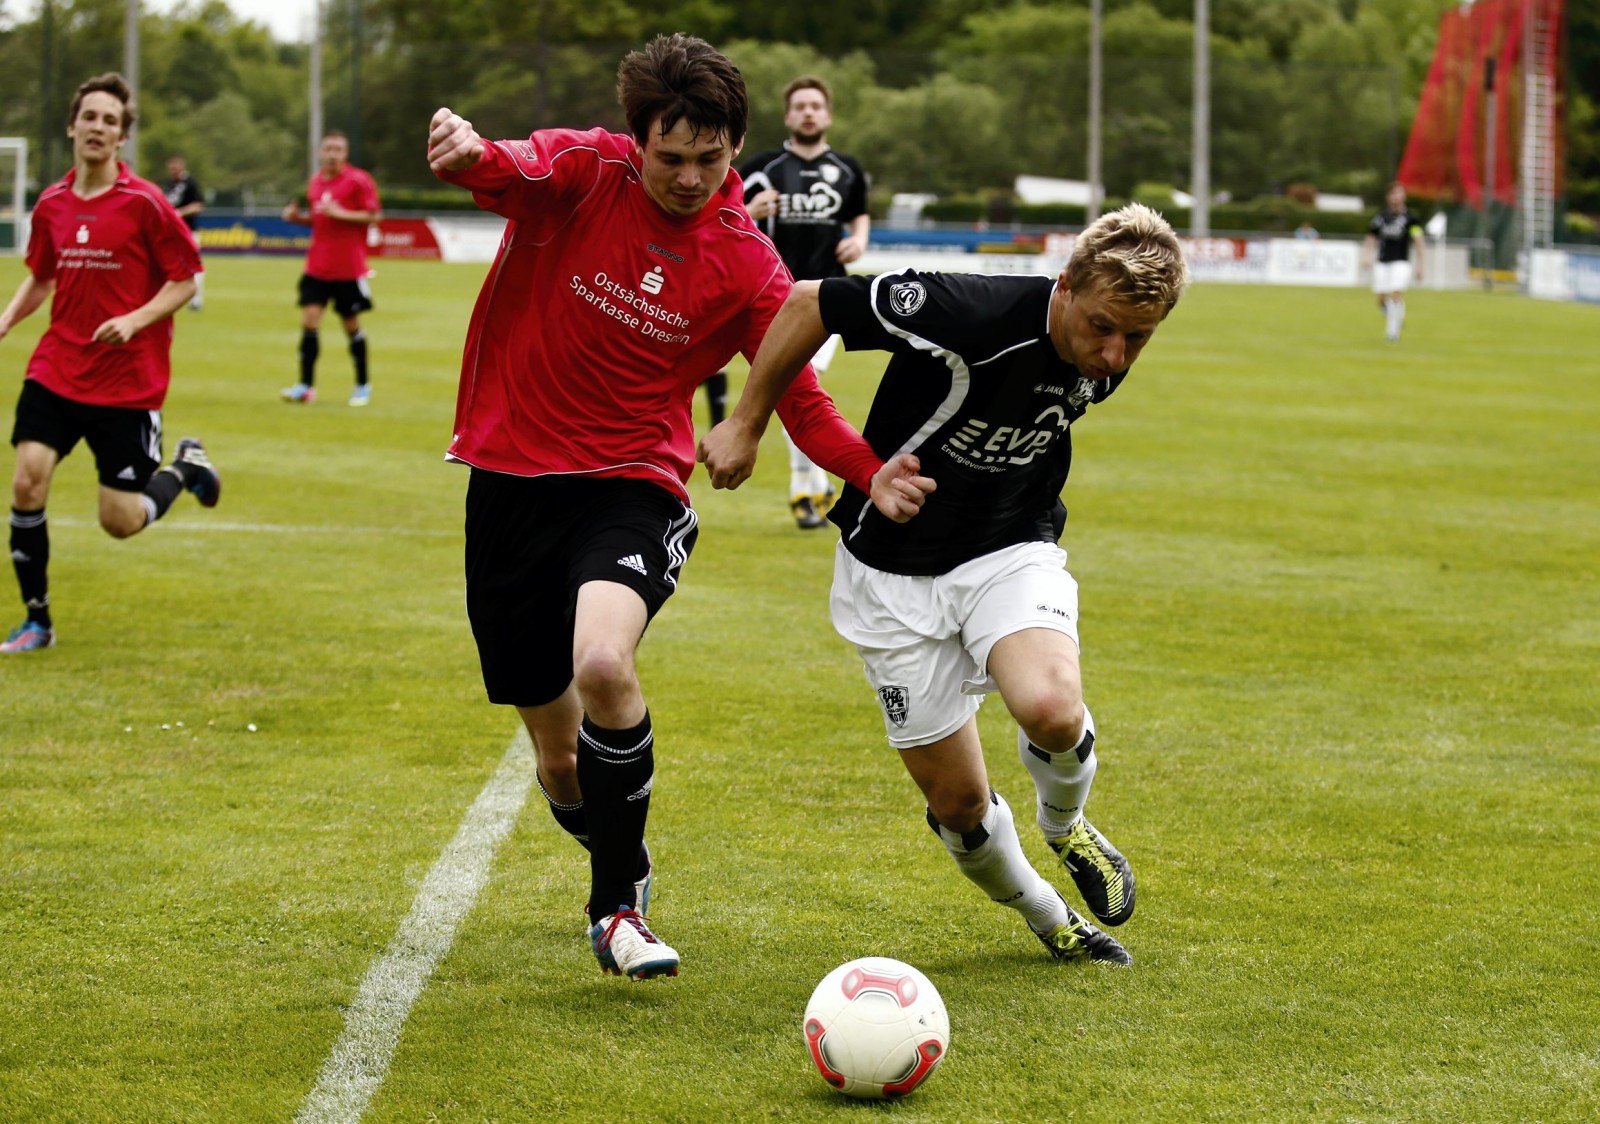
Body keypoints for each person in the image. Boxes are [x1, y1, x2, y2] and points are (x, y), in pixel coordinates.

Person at [425, 33, 928, 982]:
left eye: (713, 158)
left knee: (605, 664)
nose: (692, 177)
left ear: (737, 146)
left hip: (634, 481)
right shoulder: (584, 169)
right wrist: (466, 149)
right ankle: (623, 851)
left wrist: (870, 474)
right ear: (636, 140)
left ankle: (615, 909)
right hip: (509, 479)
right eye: (672, 157)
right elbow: (505, 171)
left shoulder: (745, 261)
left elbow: (797, 394)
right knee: (559, 760)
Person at [699, 204, 1190, 966]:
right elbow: (806, 303)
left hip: (1007, 546)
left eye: (1139, 339)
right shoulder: (972, 310)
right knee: (959, 805)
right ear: (1062, 288)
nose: (1116, 354)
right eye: (1101, 327)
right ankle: (1049, 915)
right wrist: (748, 422)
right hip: (890, 572)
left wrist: (1108, 342)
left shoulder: (1108, 346)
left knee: (1054, 711)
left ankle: (1066, 828)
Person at [1, 73, 220, 655]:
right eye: (89, 117)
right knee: (27, 480)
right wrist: (4, 320)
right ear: (73, 127)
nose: (98, 127)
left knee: (120, 521)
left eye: (110, 121)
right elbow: (42, 278)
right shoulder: (50, 204)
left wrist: (135, 319)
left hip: (126, 382)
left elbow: (184, 280)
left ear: (121, 138)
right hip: (56, 366)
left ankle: (186, 469)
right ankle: (36, 621)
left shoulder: (146, 203)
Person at [706, 76, 871, 529]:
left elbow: (858, 214)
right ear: (787, 116)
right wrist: (749, 213)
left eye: (816, 105)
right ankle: (806, 491)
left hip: (830, 296)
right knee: (794, 382)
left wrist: (858, 240)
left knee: (793, 386)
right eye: (800, 106)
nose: (808, 113)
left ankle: (812, 487)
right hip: (776, 297)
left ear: (828, 114)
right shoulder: (763, 168)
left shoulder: (848, 169)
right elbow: (721, 215)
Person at [280, 131, 381, 405]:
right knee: (309, 321)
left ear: (345, 154)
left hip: (348, 268)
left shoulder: (358, 181)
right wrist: (296, 218)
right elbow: (319, 220)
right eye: (328, 149)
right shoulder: (315, 183)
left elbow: (374, 215)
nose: (333, 154)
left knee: (351, 326)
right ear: (320, 152)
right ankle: (305, 386)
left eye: (338, 149)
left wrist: (341, 213)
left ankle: (362, 385)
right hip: (317, 266)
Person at [1362, 182, 1424, 343]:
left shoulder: (1411, 218)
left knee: (1396, 293)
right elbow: (1371, 236)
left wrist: (1420, 264)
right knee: (1381, 298)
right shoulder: (1382, 217)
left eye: (1399, 193)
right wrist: (1367, 255)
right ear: (1388, 197)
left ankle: (1392, 332)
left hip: (1401, 261)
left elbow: (1418, 240)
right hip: (1382, 261)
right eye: (1393, 194)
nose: (1396, 197)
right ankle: (1397, 316)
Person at [162, 154, 205, 310]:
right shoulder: (167, 185)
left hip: (188, 231)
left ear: (182, 165)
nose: (173, 168)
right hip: (170, 233)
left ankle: (196, 300)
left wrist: (178, 213)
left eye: (176, 165)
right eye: (171, 165)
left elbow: (198, 205)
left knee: (194, 266)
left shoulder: (190, 183)